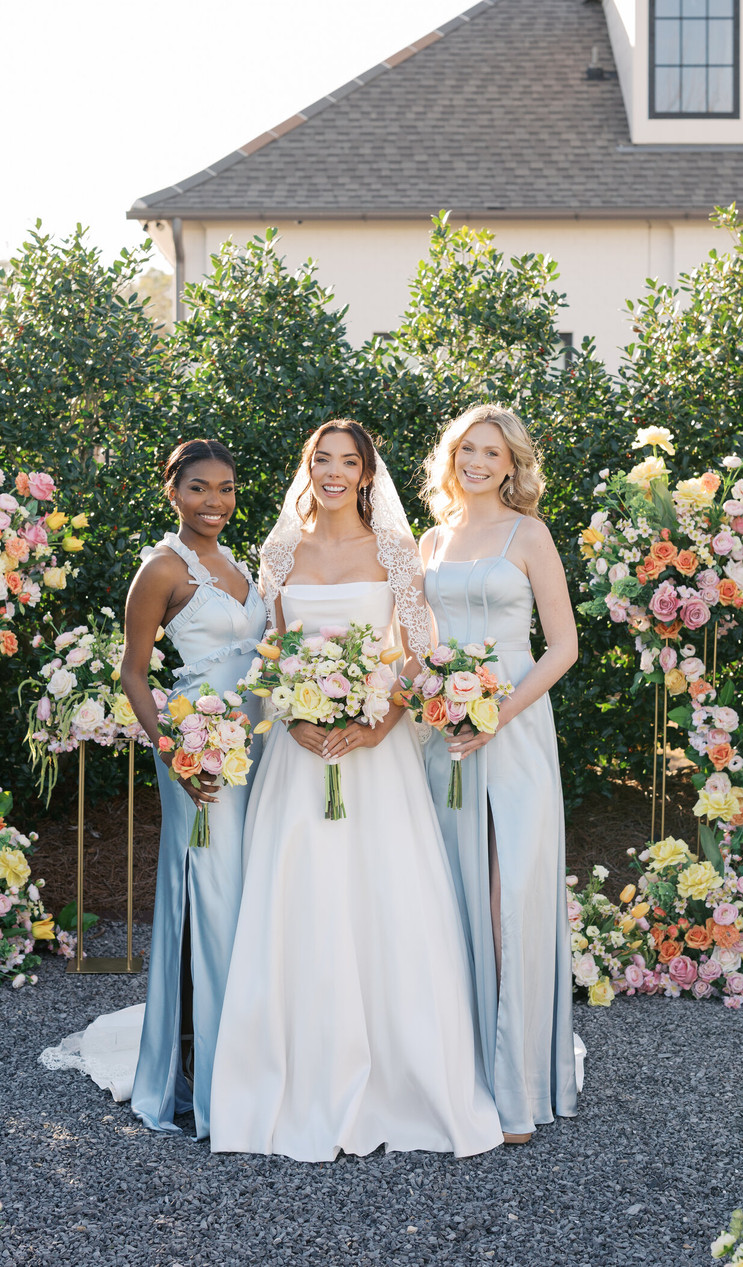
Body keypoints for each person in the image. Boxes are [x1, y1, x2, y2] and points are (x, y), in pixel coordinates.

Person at [208, 419, 502, 1161]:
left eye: (348, 462)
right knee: (299, 900)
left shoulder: (396, 551)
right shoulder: (279, 552)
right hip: (299, 755)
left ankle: (406, 1076)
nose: (334, 472)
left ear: (368, 475)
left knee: (386, 901)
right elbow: (268, 652)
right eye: (321, 460)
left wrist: (381, 722)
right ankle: (291, 1073)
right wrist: (291, 711)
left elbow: (420, 651)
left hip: (378, 756)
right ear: (308, 467)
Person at [419, 405, 581, 1141]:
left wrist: (495, 713)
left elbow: (562, 648)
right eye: (466, 449)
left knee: (506, 886)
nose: (478, 461)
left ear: (513, 464)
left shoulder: (530, 534)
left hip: (510, 726)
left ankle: (515, 1086)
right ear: (450, 458)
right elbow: (417, 640)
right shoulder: (430, 539)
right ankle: (456, 1076)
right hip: (441, 733)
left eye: (492, 451)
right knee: (447, 887)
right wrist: (437, 702)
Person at [122, 438, 267, 1135]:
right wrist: (174, 750)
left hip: (258, 743)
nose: (215, 502)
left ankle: (249, 1060)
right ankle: (202, 1082)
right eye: (200, 488)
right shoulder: (161, 569)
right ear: (172, 491)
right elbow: (132, 672)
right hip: (197, 747)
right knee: (208, 900)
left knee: (247, 897)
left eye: (227, 488)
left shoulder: (238, 564)